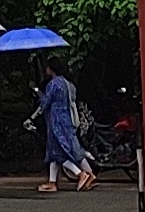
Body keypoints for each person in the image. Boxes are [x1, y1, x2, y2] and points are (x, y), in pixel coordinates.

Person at [33, 61, 97, 192]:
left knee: (57, 152)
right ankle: (86, 174)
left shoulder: (53, 84)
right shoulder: (69, 84)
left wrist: (33, 116)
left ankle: (81, 174)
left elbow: (45, 102)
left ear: (52, 69)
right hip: (69, 120)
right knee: (72, 149)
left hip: (56, 121)